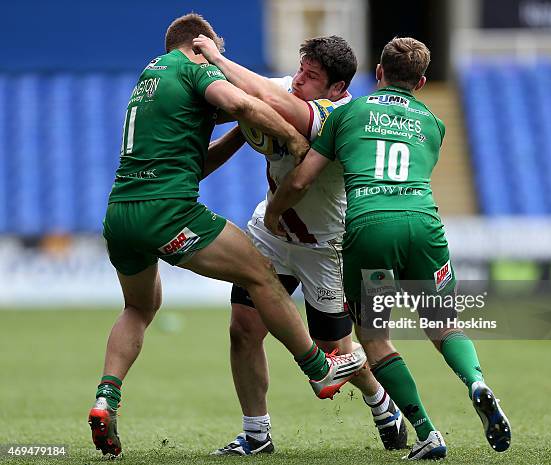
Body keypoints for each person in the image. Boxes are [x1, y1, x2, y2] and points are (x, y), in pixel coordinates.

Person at [87, 13, 367, 457]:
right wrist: (294, 144)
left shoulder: (151, 78)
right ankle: (319, 369)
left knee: (139, 307)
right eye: (215, 48)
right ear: (200, 45)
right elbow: (245, 104)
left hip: (120, 214)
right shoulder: (194, 67)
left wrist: (240, 136)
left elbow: (194, 163)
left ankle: (106, 398)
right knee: (260, 273)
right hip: (168, 214)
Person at [264, 37, 512, 460]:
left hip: (369, 226)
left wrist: (274, 213)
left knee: (375, 338)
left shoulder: (350, 112)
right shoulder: (434, 124)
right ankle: (475, 381)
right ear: (420, 81)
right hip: (424, 224)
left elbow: (303, 179)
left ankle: (427, 433)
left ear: (378, 73)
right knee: (443, 323)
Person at [192, 34, 408, 455]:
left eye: (311, 78)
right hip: (270, 235)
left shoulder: (337, 117)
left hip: (323, 247)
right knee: (243, 329)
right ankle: (256, 434)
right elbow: (232, 99)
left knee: (334, 354)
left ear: (337, 90)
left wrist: (218, 56)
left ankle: (380, 401)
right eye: (300, 70)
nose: (299, 82)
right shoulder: (286, 86)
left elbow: (259, 96)